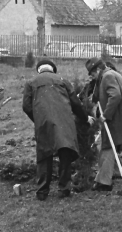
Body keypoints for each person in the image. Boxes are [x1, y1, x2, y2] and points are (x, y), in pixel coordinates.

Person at [22, 59, 89, 200]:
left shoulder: (31, 83)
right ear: (53, 69)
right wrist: (84, 118)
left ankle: (42, 192)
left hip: (44, 123)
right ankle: (63, 190)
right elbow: (75, 103)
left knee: (44, 155)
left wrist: (38, 119)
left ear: (39, 70)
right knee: (65, 153)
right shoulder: (63, 81)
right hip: (64, 122)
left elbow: (26, 106)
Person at [87, 57, 122, 191]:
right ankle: (113, 173)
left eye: (92, 73)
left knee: (107, 147)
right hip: (119, 116)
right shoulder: (113, 74)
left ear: (98, 69)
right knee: (111, 145)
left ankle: (104, 182)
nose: (92, 77)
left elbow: (115, 95)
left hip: (115, 118)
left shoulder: (107, 76)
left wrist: (106, 114)